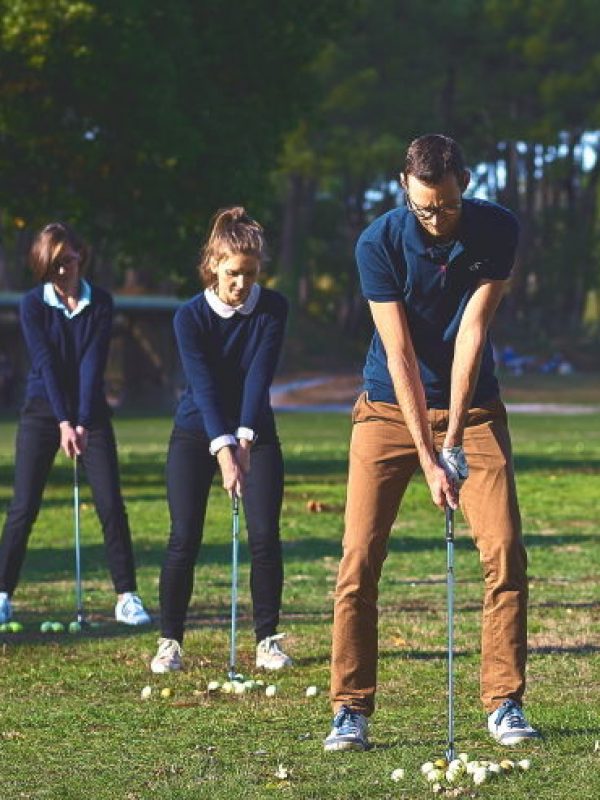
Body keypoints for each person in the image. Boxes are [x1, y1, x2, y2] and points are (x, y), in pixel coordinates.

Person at [324, 134, 541, 751]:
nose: (436, 219)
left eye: (445, 205)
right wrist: (427, 456)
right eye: (424, 207)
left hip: (473, 409)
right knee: (358, 558)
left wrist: (452, 441)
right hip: (388, 408)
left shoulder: (497, 229)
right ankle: (350, 709)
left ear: (464, 184)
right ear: (404, 187)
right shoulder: (379, 242)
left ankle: (504, 703)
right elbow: (398, 351)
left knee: (504, 550)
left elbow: (471, 335)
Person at [150, 207, 291, 674]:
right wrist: (224, 449)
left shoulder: (272, 308)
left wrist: (245, 443)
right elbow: (204, 387)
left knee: (265, 537)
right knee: (183, 537)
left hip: (257, 429)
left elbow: (258, 376)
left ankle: (267, 639)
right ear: (213, 263)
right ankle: (169, 641)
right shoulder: (189, 318)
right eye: (234, 273)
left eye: (251, 274)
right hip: (197, 430)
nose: (243, 284)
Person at [0, 222, 150, 626]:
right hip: (42, 410)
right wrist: (63, 421)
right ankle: (2, 594)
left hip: (91, 414)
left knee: (110, 504)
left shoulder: (100, 302)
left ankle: (127, 595)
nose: (65, 271)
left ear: (81, 255)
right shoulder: (33, 304)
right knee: (23, 507)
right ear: (45, 268)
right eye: (56, 265)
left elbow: (91, 364)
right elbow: (45, 363)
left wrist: (82, 421)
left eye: (69, 260)